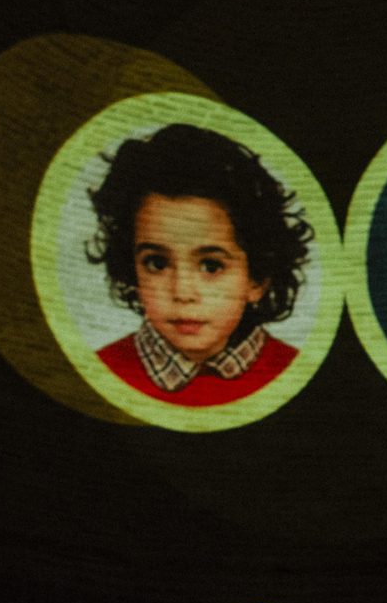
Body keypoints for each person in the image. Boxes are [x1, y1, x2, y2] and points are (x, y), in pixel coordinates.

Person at [85, 122, 314, 407]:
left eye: (211, 266)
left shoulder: (298, 374)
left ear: (257, 279)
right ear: (131, 271)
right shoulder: (96, 374)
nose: (183, 293)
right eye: (156, 263)